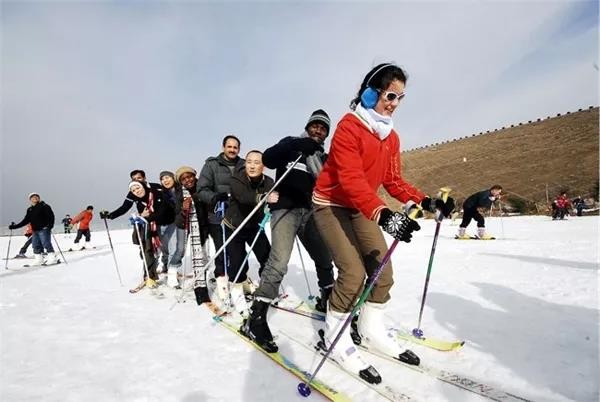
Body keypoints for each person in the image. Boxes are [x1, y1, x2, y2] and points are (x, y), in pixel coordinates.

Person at [309, 63, 455, 382]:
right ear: (371, 92)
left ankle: (371, 327)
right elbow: (349, 180)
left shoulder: (390, 137)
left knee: (382, 272)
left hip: (362, 205)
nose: (394, 103)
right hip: (331, 204)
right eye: (390, 95)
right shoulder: (349, 127)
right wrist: (383, 214)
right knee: (353, 273)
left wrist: (425, 200)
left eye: (400, 97)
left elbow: (392, 180)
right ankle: (336, 336)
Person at [241, 109, 336, 352]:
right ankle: (257, 317)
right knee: (279, 260)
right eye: (314, 125)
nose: (318, 130)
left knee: (324, 257)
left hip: (309, 212)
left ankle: (327, 299)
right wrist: (297, 143)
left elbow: (329, 184)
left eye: (323, 128)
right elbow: (269, 159)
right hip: (285, 209)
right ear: (308, 126)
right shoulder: (290, 145)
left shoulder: (322, 157)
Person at [223, 150, 277, 315]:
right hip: (234, 226)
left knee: (267, 258)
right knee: (237, 261)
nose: (252, 166)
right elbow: (243, 196)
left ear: (263, 166)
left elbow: (272, 199)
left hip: (254, 226)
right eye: (249, 162)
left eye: (256, 162)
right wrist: (263, 198)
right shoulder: (236, 178)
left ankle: (265, 291)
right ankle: (237, 295)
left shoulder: (268, 181)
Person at [198, 135, 245, 299]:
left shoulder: (244, 164)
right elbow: (201, 189)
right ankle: (221, 279)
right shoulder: (212, 165)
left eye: (235, 147)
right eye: (229, 146)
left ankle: (240, 278)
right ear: (223, 147)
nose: (232, 150)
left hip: (240, 216)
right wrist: (215, 196)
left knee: (239, 250)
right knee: (222, 249)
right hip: (218, 215)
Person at [174, 166, 211, 304]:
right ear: (181, 182)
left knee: (214, 254)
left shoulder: (204, 186)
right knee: (200, 256)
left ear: (194, 176)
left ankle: (219, 280)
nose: (188, 180)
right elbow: (178, 222)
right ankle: (201, 288)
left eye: (189, 176)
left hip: (211, 224)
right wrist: (184, 210)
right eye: (183, 179)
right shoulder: (179, 195)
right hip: (197, 229)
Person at [123, 180, 171, 288]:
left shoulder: (156, 194)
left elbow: (161, 211)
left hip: (162, 224)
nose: (136, 191)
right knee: (147, 251)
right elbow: (127, 209)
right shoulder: (139, 202)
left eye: (138, 188)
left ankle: (164, 270)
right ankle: (150, 276)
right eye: (133, 190)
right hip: (148, 229)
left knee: (163, 249)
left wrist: (145, 217)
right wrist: (139, 217)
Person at [9, 193, 58, 266]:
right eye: (32, 197)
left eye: (36, 197)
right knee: (35, 245)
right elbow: (25, 220)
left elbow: (51, 216)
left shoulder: (44, 206)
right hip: (35, 230)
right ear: (30, 200)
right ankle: (39, 260)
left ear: (39, 198)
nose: (35, 198)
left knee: (46, 243)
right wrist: (14, 226)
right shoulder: (30, 209)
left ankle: (53, 259)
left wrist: (49, 226)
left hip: (44, 229)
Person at [158, 171, 184, 280]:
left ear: (173, 178)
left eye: (167, 177)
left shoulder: (181, 190)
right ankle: (164, 265)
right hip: (161, 223)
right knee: (164, 247)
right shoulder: (160, 192)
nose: (165, 180)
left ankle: (171, 270)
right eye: (163, 179)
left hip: (175, 222)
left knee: (175, 247)